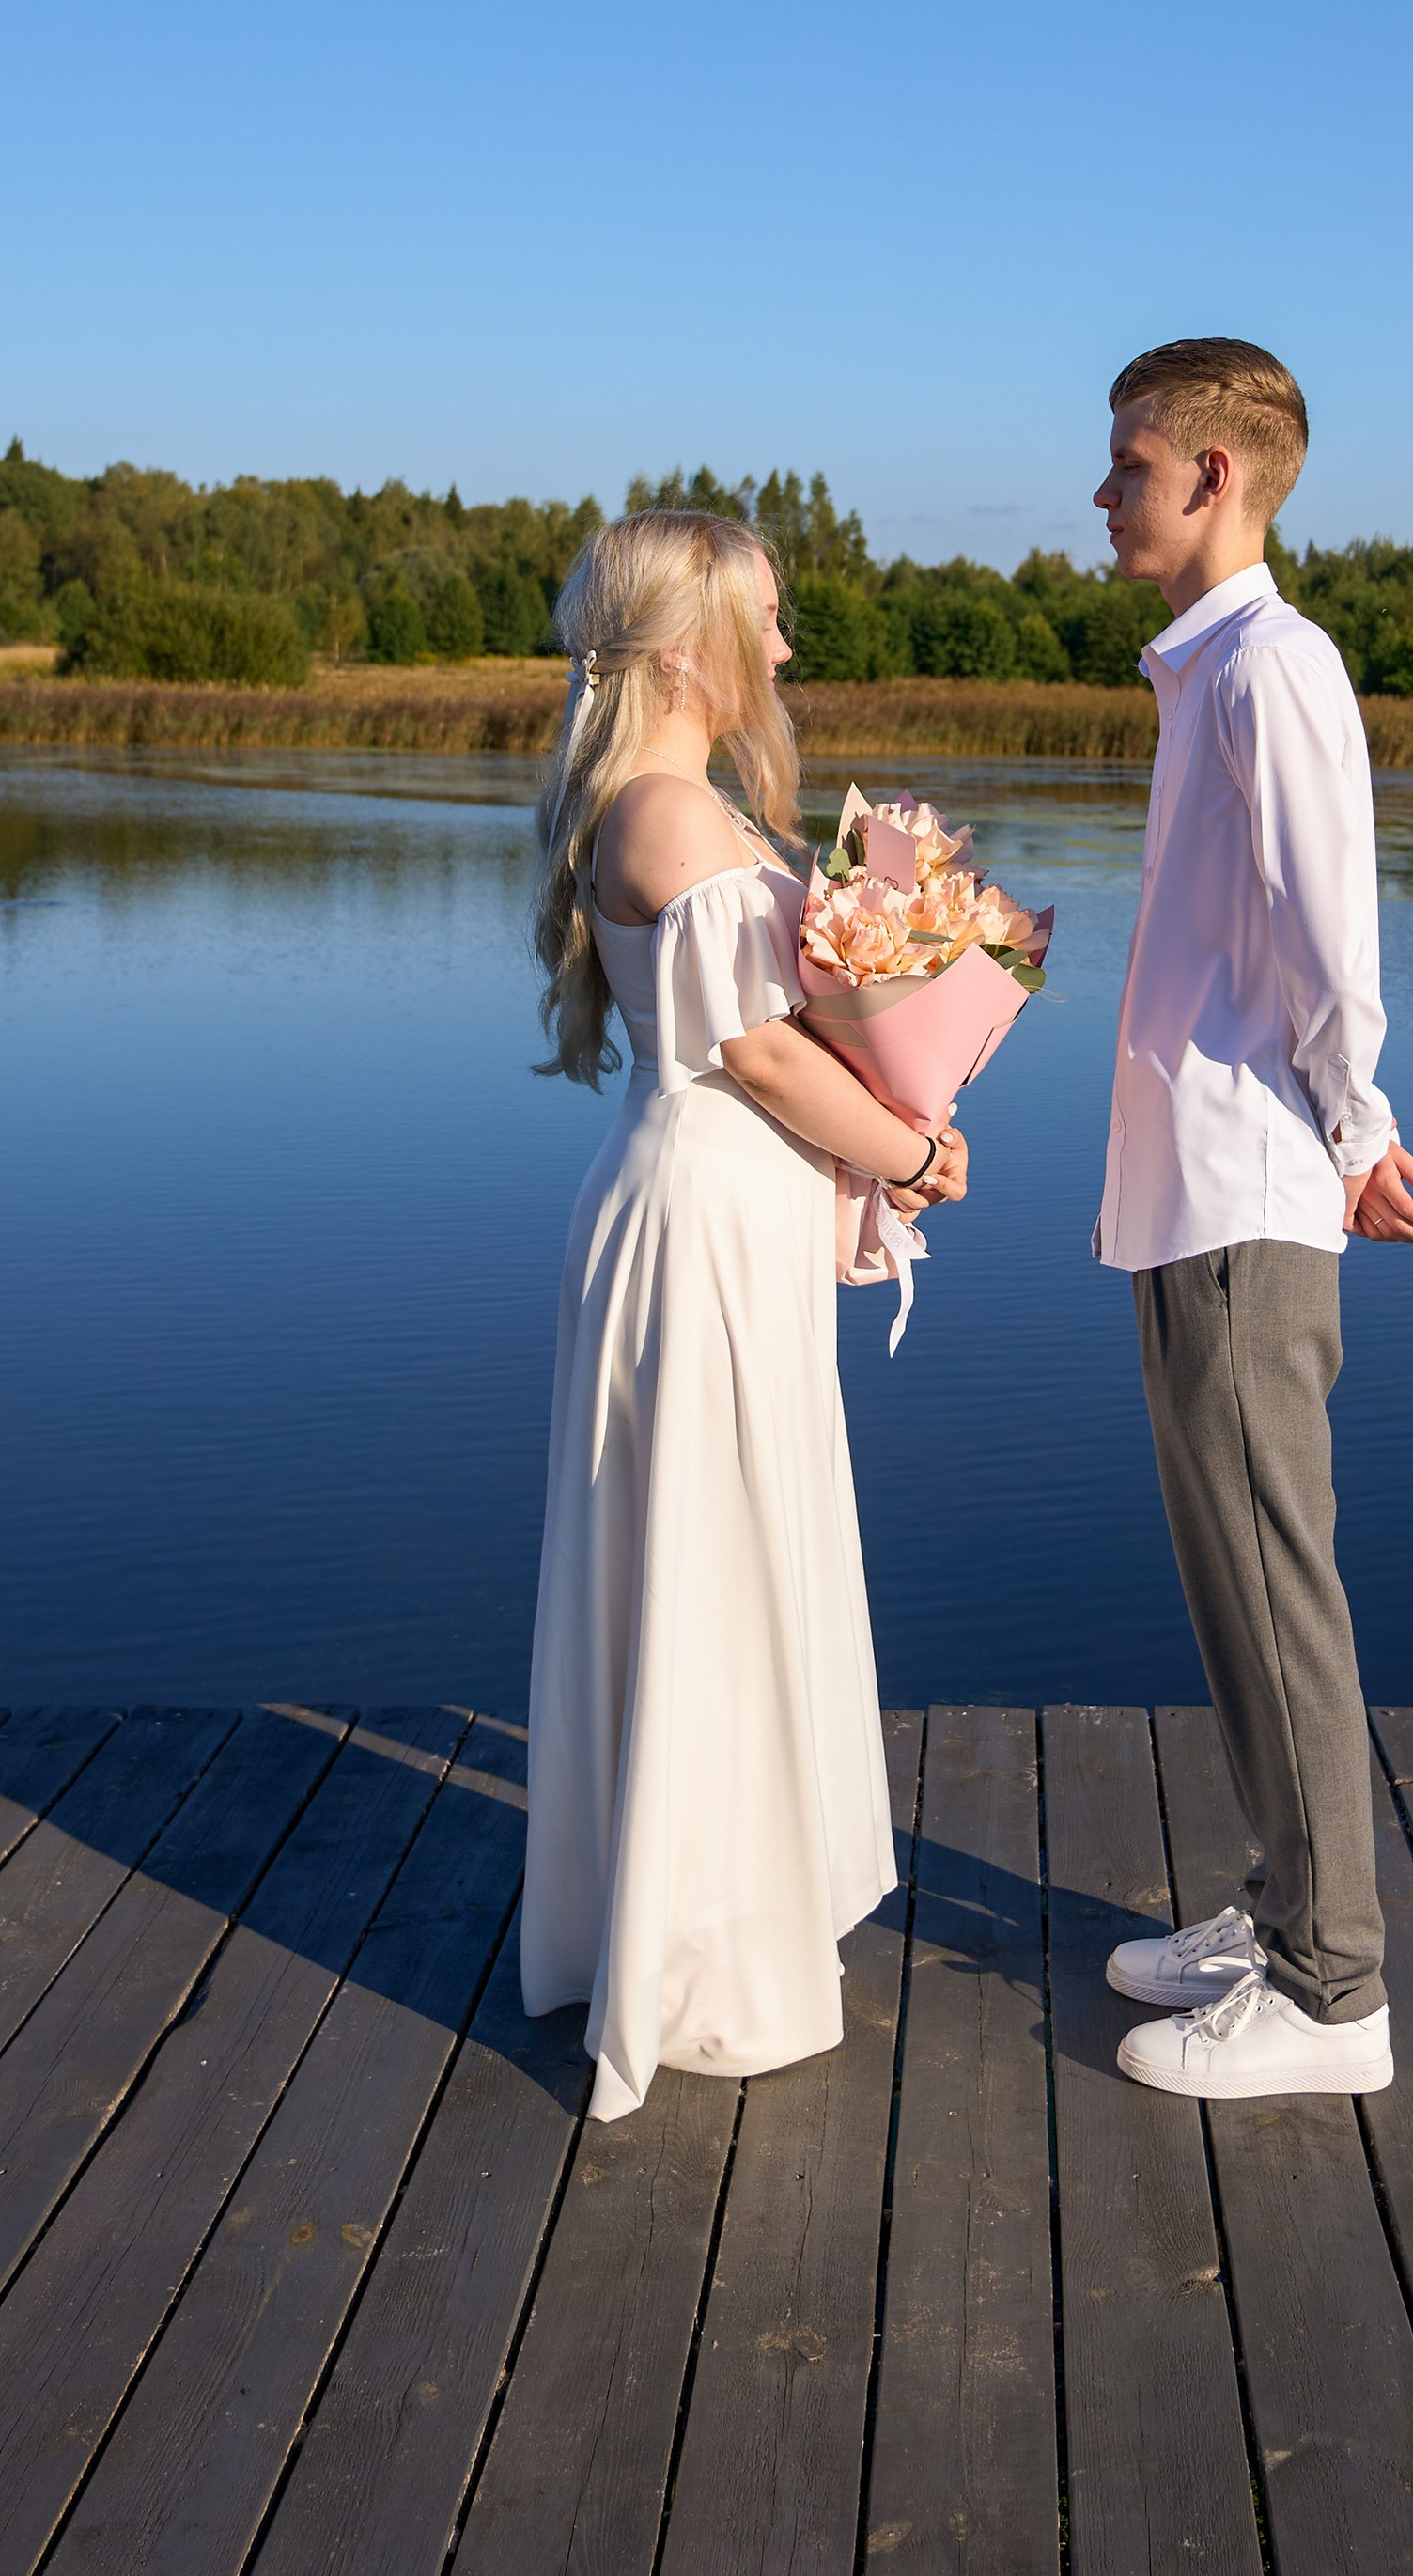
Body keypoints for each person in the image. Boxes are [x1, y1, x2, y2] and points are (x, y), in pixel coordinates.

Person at [520, 507, 967, 2120]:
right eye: (764, 618)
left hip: (730, 1214)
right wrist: (911, 1150)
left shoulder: (693, 810)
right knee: (702, 1561)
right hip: (697, 1220)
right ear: (686, 641)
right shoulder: (661, 811)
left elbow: (791, 1033)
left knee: (727, 1549)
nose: (785, 646)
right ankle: (694, 1955)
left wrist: (890, 1114)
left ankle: (710, 1904)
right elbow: (763, 1053)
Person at [1088, 338, 1413, 2100]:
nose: (1105, 494)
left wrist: (1359, 1131)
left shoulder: (1272, 668)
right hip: (1192, 1197)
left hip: (1247, 1200)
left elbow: (1328, 932)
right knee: (1232, 1584)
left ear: (1214, 476)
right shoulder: (1208, 673)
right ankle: (1286, 1906)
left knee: (1277, 1581)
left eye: (1130, 463)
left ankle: (1331, 1990)